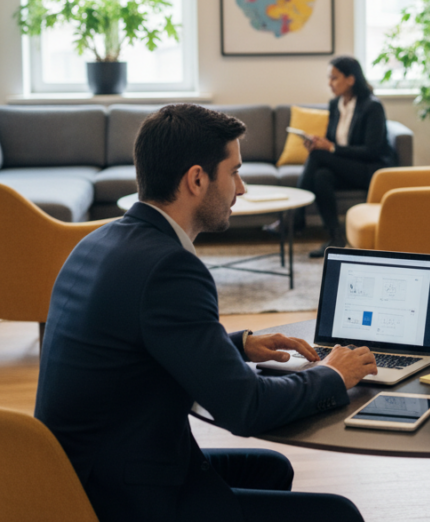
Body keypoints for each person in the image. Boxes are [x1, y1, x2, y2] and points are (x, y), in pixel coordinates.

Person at [35, 104, 379, 522]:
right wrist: (333, 374)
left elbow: (143, 346)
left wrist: (238, 345)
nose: (243, 187)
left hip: (77, 474)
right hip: (124, 499)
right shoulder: (170, 268)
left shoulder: (99, 239)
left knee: (270, 468)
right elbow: (246, 408)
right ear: (196, 179)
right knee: (338, 515)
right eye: (234, 172)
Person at [297, 55, 394, 258]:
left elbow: (372, 150)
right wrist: (319, 143)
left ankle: (296, 217)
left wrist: (330, 148)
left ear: (351, 79)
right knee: (321, 176)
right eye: (329, 78)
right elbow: (334, 140)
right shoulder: (335, 105)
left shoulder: (372, 107)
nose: (329, 83)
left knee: (317, 157)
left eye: (334, 78)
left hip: (370, 169)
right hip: (346, 167)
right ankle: (336, 237)